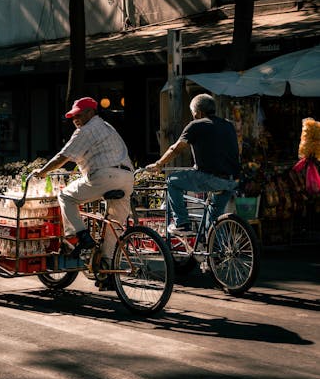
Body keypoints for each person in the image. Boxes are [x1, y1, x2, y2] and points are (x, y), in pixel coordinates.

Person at [32, 97, 134, 263]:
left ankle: (81, 235)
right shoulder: (107, 127)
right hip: (127, 178)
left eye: (78, 115)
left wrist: (42, 172)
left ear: (91, 112)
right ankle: (107, 268)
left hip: (104, 177)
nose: (75, 120)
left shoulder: (87, 130)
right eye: (72, 117)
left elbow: (62, 157)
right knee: (113, 225)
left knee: (66, 196)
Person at [146, 93, 240, 233]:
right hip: (231, 180)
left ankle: (181, 223)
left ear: (198, 112)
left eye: (192, 113)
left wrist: (159, 164)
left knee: (172, 181)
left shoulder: (195, 125)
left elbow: (176, 149)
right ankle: (216, 252)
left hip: (210, 177)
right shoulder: (228, 125)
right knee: (213, 220)